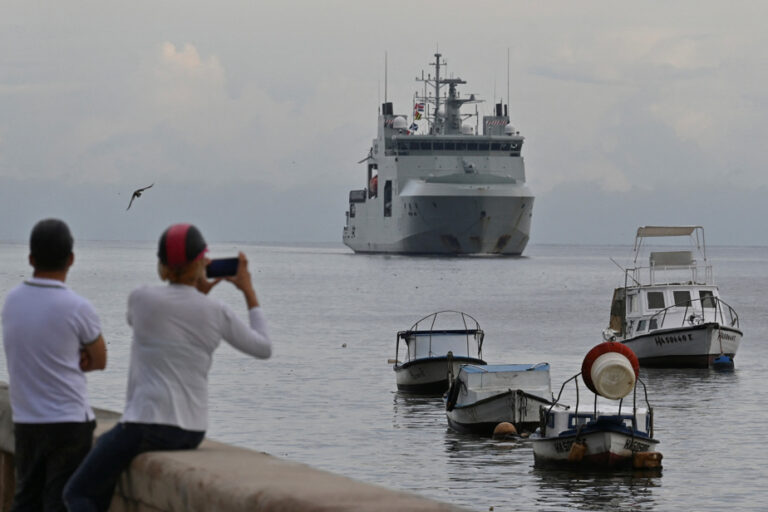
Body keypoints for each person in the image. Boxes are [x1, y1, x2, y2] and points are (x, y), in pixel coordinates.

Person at [63, 223, 272, 511]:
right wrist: (247, 289)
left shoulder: (141, 299)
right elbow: (263, 347)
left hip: (145, 426)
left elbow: (165, 318)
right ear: (201, 262)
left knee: (77, 493)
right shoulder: (216, 311)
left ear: (161, 265)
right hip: (191, 431)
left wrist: (195, 291)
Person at [1, 218, 107, 511]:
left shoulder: (11, 301)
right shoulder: (78, 307)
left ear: (31, 258)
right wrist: (74, 356)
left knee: (27, 499)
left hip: (27, 422)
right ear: (71, 259)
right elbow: (100, 359)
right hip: (69, 423)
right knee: (59, 502)